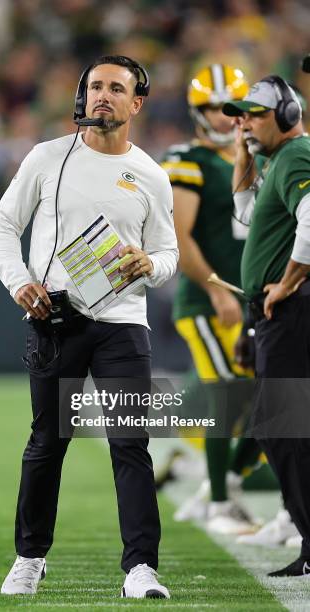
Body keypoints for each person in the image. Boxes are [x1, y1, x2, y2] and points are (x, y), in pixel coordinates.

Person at [0, 55, 178, 599]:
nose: (101, 96)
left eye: (115, 88)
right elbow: (4, 224)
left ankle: (140, 568)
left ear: (135, 103)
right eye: (94, 86)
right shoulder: (47, 158)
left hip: (123, 324)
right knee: (48, 441)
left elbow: (168, 252)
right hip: (56, 320)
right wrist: (18, 281)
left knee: (131, 444)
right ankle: (29, 558)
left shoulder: (150, 174)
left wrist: (152, 264)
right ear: (82, 94)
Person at [160, 64, 262, 535]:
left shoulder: (256, 155)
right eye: (212, 109)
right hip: (207, 301)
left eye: (230, 108)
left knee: (273, 401)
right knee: (225, 393)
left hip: (255, 299)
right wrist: (218, 289)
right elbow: (179, 238)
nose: (223, 118)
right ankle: (220, 503)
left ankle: (219, 486)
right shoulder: (188, 159)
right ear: (196, 110)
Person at [222, 74, 310, 576]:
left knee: (283, 427)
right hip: (277, 312)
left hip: (291, 310)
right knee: (283, 428)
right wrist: (244, 158)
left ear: (286, 116)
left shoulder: (297, 155)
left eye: (254, 114)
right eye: (241, 115)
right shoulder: (277, 161)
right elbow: (247, 219)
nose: (243, 123)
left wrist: (289, 281)